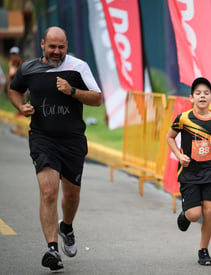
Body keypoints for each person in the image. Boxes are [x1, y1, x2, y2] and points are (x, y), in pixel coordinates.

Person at [8, 26, 102, 271]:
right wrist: (21, 107)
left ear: (66, 45)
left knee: (71, 195)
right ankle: (52, 249)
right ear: (42, 45)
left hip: (72, 140)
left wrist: (71, 91)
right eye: (52, 47)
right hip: (42, 138)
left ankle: (67, 227)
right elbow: (14, 89)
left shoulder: (78, 67)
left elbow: (97, 98)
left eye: (61, 47)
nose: (57, 52)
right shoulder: (29, 68)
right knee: (49, 192)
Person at [166, 77, 211, 266]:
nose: (202, 96)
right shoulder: (184, 118)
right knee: (194, 215)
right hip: (190, 171)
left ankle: (204, 251)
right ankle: (185, 215)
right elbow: (170, 137)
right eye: (198, 93)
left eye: (206, 93)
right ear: (191, 98)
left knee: (209, 211)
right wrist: (178, 155)